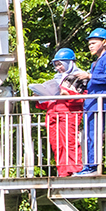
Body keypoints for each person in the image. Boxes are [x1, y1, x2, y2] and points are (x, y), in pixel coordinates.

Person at [28, 48, 85, 176]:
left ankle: (74, 170)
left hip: (68, 113)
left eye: (61, 64)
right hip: (53, 114)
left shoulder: (79, 78)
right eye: (56, 65)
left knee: (69, 142)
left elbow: (83, 99)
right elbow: (49, 102)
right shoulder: (56, 79)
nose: (58, 68)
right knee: (56, 144)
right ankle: (63, 172)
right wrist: (39, 97)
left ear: (69, 63)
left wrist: (68, 94)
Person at [72, 27, 106, 174]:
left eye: (93, 43)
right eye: (89, 44)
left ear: (104, 42)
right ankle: (88, 165)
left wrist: (89, 76)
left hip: (100, 102)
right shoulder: (96, 62)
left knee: (94, 134)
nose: (90, 46)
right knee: (88, 135)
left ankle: (93, 166)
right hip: (91, 101)